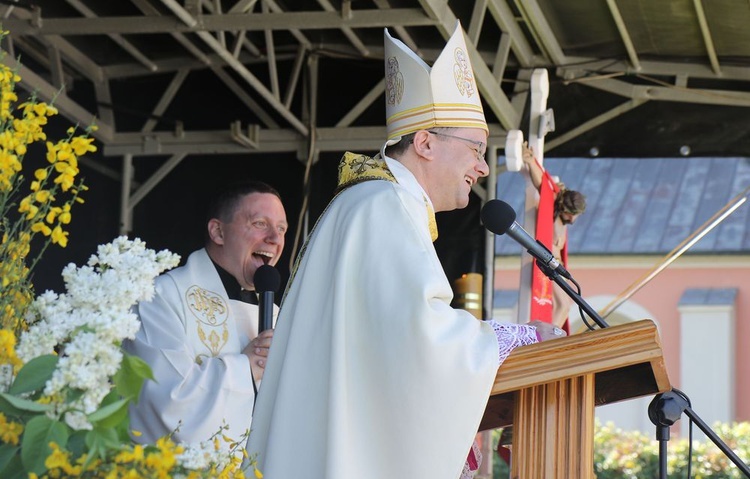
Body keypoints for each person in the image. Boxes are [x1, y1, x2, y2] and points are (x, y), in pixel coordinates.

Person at [246, 22, 565, 479]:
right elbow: (420, 337)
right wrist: (520, 340)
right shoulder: (383, 206)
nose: (481, 164)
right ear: (425, 142)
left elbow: (382, 351)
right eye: (475, 148)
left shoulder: (374, 202)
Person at [123, 180, 288, 447]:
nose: (275, 238)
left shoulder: (277, 315)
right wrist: (246, 367)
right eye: (260, 224)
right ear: (218, 232)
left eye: (281, 228)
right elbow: (166, 402)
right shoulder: (162, 296)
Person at [521, 141, 586, 329]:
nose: (572, 221)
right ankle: (551, 337)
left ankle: (552, 333)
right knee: (563, 305)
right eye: (571, 215)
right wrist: (531, 161)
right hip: (547, 264)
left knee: (566, 304)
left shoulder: (562, 218)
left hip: (557, 265)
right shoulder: (552, 206)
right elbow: (541, 183)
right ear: (565, 209)